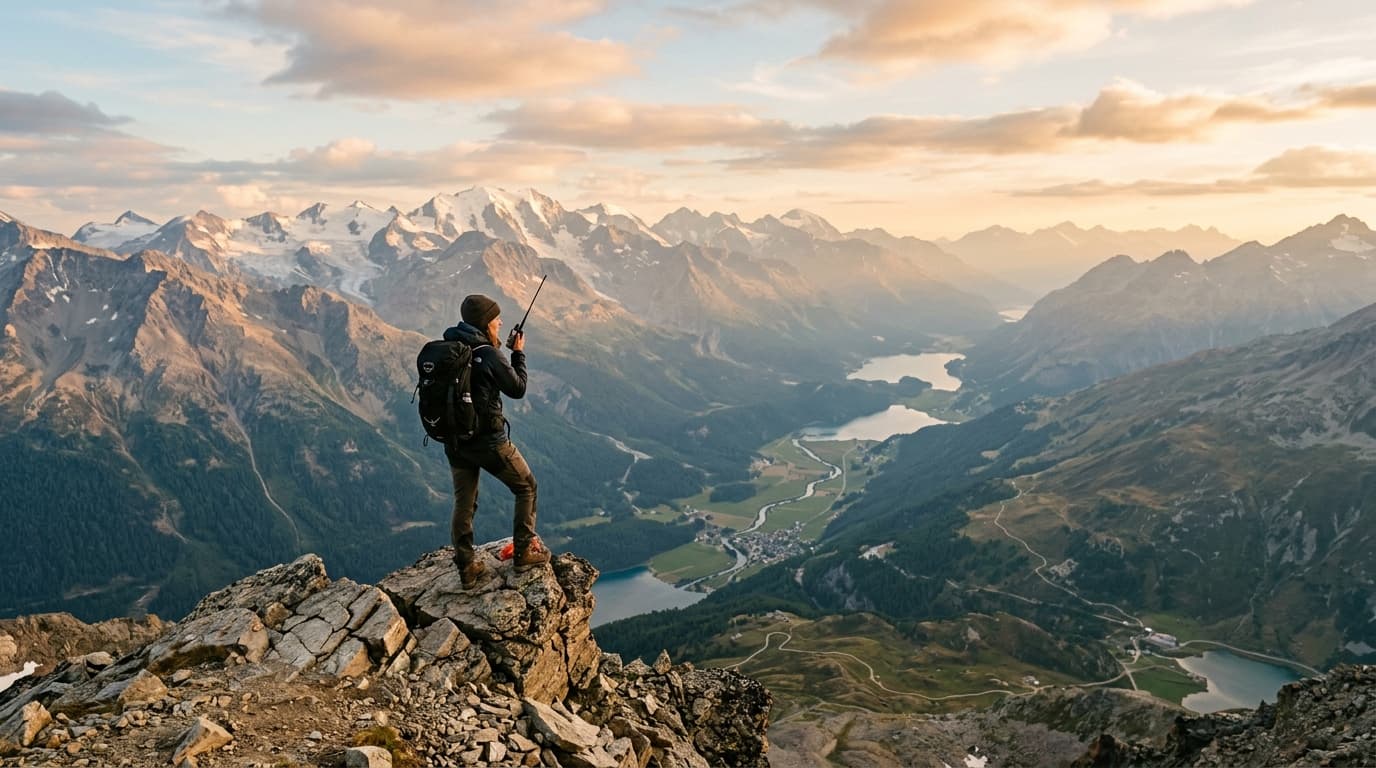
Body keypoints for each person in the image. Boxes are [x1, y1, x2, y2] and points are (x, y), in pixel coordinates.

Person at [441, 293, 549, 588]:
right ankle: (524, 550)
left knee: (464, 502)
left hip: (455, 442)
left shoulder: (452, 347)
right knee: (527, 487)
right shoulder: (488, 353)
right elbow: (517, 389)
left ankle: (466, 566)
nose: (500, 322)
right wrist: (518, 353)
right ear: (485, 322)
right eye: (496, 318)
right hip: (488, 442)